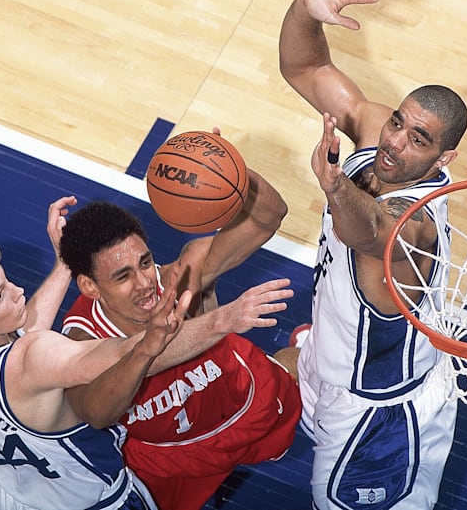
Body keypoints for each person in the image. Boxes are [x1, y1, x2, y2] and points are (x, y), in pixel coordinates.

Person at [0, 197, 294, 510]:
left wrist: (65, 264)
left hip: (9, 495)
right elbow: (128, 351)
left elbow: (21, 331)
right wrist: (222, 319)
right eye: (1, 295)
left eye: (6, 280)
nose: (18, 290)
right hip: (92, 500)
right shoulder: (34, 359)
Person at [277, 0, 467, 508]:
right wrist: (305, 8)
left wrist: (335, 186)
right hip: (327, 360)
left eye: (418, 139)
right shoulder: (377, 137)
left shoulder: (418, 225)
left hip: (378, 413)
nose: (395, 142)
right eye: (397, 122)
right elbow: (305, 67)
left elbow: (369, 232)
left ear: (443, 158)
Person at [58, 161, 301, 510]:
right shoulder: (81, 342)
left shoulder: (181, 275)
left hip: (240, 400)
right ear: (89, 287)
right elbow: (96, 413)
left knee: (300, 368)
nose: (145, 284)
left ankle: (303, 346)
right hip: (168, 458)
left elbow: (269, 214)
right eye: (123, 276)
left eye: (145, 262)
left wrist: (229, 168)